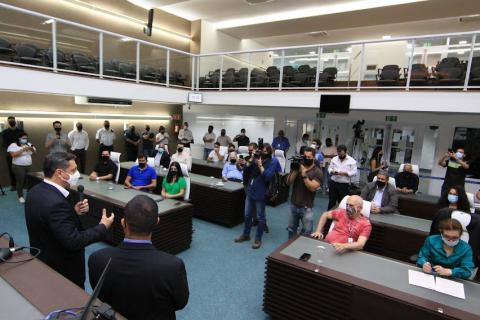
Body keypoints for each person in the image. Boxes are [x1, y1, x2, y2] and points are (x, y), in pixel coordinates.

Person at [88, 195, 189, 320]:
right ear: (157, 222)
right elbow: (180, 303)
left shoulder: (97, 258)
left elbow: (99, 294)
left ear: (123, 222)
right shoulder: (173, 266)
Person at [25, 152, 114, 288]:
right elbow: (74, 241)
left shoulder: (34, 191)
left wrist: (73, 212)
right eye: (73, 170)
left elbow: (48, 220)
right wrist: (102, 226)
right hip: (62, 269)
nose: (77, 174)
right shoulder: (56, 203)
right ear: (59, 173)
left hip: (42, 259)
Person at [234, 143, 279, 249]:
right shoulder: (255, 159)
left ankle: (258, 239)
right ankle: (246, 235)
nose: (262, 153)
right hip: (250, 190)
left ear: (269, 153)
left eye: (264, 151)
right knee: (247, 215)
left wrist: (260, 165)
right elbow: (246, 170)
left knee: (260, 217)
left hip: (261, 192)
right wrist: (250, 160)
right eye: (260, 151)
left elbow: (267, 176)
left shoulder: (272, 162)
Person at [286, 147, 323, 239]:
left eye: (309, 157)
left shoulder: (317, 172)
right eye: (304, 156)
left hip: (306, 207)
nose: (306, 158)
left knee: (307, 232)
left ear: (314, 157)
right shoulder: (298, 166)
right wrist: (295, 170)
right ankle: (289, 248)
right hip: (293, 204)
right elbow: (288, 182)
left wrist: (304, 174)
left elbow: (312, 188)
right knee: (291, 229)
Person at [7, 132, 35, 203]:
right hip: (18, 166)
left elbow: (35, 151)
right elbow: (13, 154)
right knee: (20, 181)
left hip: (28, 165)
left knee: (31, 180)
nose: (25, 139)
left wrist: (31, 148)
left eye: (26, 138)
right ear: (19, 138)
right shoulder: (13, 145)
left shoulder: (28, 143)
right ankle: (20, 196)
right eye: (23, 138)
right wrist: (23, 149)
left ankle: (31, 195)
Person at [327, 145, 357, 209]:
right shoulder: (334, 159)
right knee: (331, 201)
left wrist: (346, 173)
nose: (340, 155)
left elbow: (354, 172)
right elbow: (329, 168)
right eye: (338, 153)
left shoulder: (351, 161)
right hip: (333, 183)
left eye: (341, 154)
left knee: (342, 202)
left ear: (345, 152)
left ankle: (340, 217)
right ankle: (329, 218)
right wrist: (332, 171)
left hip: (344, 185)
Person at [2, 116, 24, 190]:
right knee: (11, 170)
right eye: (10, 121)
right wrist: (12, 148)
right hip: (10, 154)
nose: (11, 121)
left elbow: (24, 141)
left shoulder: (21, 131)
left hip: (21, 153)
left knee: (21, 169)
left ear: (15, 121)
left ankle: (22, 184)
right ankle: (13, 185)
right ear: (8, 122)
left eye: (12, 120)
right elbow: (4, 144)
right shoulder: (4, 132)